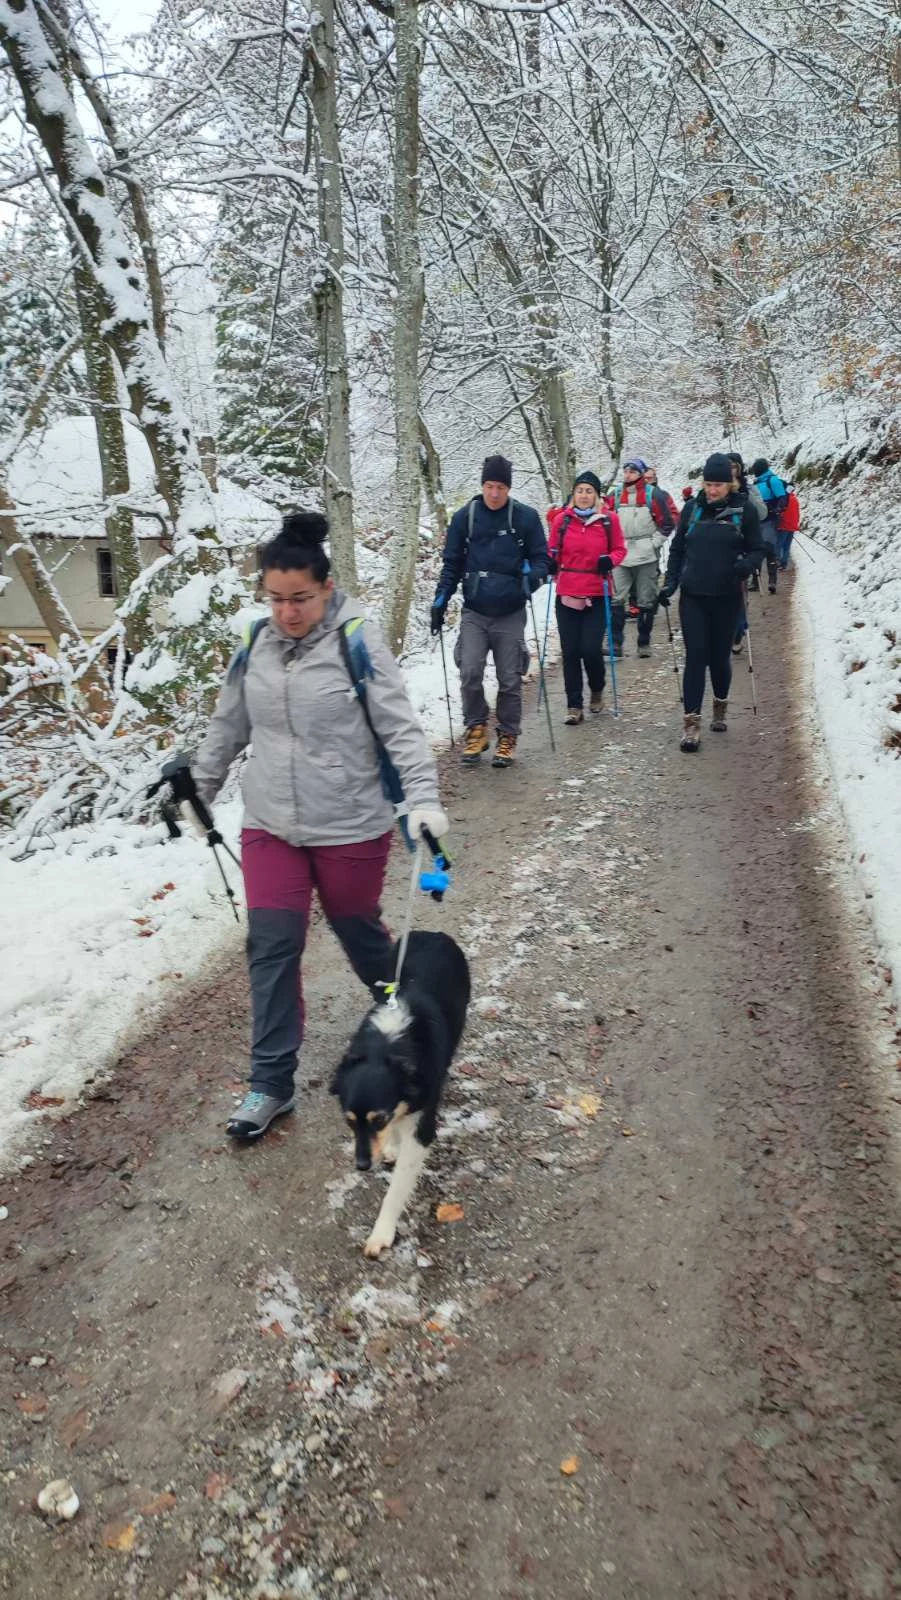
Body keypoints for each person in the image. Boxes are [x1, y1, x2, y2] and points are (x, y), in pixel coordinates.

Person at [185, 512, 448, 1141]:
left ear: (326, 588)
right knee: (272, 946)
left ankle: (411, 1022)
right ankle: (270, 1083)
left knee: (360, 933)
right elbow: (228, 727)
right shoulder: (255, 645)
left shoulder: (357, 641)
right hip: (270, 821)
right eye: (274, 598)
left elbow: (399, 727)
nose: (286, 612)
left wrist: (423, 798)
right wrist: (199, 788)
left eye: (299, 598)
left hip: (350, 821)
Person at [431, 454, 549, 768]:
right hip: (475, 609)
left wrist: (530, 580)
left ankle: (508, 736)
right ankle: (476, 728)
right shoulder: (464, 518)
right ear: (482, 484)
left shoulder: (525, 518)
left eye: (500, 487)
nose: (494, 493)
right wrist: (440, 600)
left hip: (510, 610)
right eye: (489, 486)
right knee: (469, 670)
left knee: (509, 678)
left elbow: (543, 559)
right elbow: (451, 564)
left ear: (508, 488)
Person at [658, 453, 764, 751]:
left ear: (730, 484)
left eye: (718, 484)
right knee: (696, 656)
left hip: (727, 596)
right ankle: (691, 723)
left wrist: (747, 565)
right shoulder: (692, 510)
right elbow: (677, 549)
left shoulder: (745, 511)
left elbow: (758, 548)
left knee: (718, 658)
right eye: (708, 483)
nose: (712, 489)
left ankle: (720, 705)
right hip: (693, 596)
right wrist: (670, 583)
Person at [546, 471, 626, 724]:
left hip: (596, 591)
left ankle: (597, 687)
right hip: (567, 591)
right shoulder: (562, 521)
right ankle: (574, 705)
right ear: (574, 494)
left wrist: (609, 560)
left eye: (589, 491)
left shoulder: (608, 520)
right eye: (580, 490)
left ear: (596, 495)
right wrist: (549, 562)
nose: (584, 495)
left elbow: (620, 549)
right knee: (570, 651)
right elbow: (551, 550)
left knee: (590, 649)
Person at [608, 456, 675, 658]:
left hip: (646, 555)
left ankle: (643, 641)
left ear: (640, 473)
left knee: (646, 600)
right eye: (626, 470)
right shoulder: (615, 495)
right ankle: (616, 642)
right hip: (621, 555)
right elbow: (605, 521)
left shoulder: (653, 495)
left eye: (633, 471)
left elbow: (667, 523)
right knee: (616, 599)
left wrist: (653, 543)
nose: (628, 474)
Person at [727, 452, 767, 654]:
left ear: (740, 468)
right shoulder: (718, 490)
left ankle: (737, 633)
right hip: (721, 551)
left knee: (739, 596)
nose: (731, 470)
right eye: (728, 466)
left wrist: (748, 498)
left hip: (743, 550)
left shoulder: (749, 489)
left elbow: (762, 513)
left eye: (734, 466)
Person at [749, 458, 789, 594]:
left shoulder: (773, 480)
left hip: (770, 520)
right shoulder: (757, 482)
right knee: (755, 549)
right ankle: (755, 581)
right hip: (757, 520)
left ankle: (772, 581)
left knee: (768, 549)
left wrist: (777, 509)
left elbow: (782, 498)